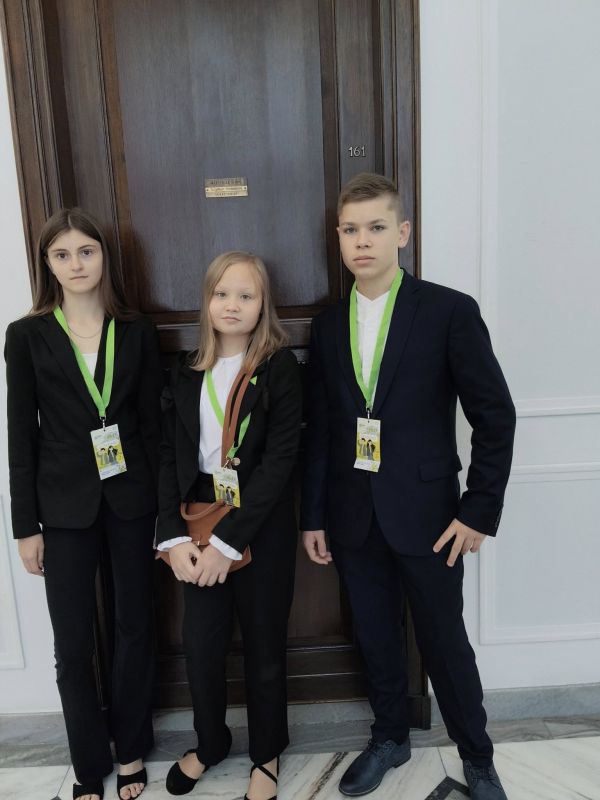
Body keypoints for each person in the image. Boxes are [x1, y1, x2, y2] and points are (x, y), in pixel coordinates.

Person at [301, 173, 516, 800]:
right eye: (350, 229)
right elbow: (322, 430)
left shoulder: (448, 311)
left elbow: (494, 415)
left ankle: (477, 756)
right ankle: (390, 737)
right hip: (353, 513)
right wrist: (313, 514)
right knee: (374, 635)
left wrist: (479, 509)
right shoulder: (327, 325)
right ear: (338, 238)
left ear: (402, 233)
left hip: (431, 515)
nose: (362, 240)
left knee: (444, 641)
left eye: (375, 227)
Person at [5, 208, 163, 800]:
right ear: (47, 264)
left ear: (104, 257)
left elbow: (153, 429)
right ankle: (87, 761)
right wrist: (25, 526)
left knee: (134, 626)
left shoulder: (137, 332)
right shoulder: (26, 336)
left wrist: (165, 516)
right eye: (62, 254)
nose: (76, 264)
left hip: (132, 502)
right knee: (72, 643)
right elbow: (21, 436)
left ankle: (131, 748)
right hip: (62, 509)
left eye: (86, 251)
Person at [155, 251, 302, 800]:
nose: (232, 305)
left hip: (259, 525)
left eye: (246, 295)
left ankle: (267, 754)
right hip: (198, 522)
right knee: (201, 647)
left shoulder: (280, 369)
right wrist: (173, 539)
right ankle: (210, 743)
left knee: (264, 647)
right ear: (207, 301)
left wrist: (228, 543)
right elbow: (169, 458)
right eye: (222, 294)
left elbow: (279, 464)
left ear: (263, 304)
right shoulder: (186, 369)